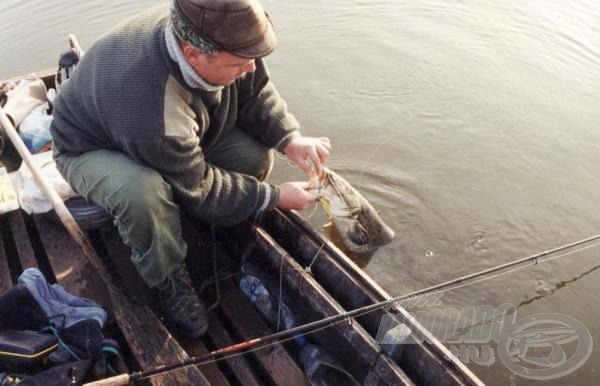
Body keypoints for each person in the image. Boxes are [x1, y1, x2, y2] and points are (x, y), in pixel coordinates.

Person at [50, 0, 331, 340]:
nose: (252, 68)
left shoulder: (218, 33)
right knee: (144, 194)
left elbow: (256, 91)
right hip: (90, 146)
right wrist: (274, 196)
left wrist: (290, 139)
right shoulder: (153, 106)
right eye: (240, 63)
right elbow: (200, 187)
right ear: (193, 54)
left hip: (162, 135)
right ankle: (166, 276)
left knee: (254, 158)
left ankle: (184, 209)